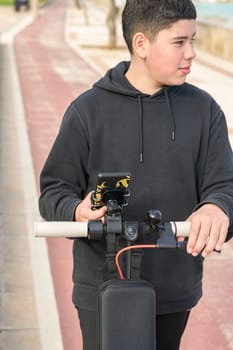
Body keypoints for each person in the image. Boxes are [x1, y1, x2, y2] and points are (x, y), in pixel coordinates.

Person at [39, 0, 233, 349]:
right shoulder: (86, 111)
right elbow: (53, 191)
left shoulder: (205, 111)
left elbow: (224, 186)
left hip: (175, 288)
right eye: (179, 42)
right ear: (141, 44)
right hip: (102, 287)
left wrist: (216, 207)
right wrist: (76, 210)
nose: (191, 53)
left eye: (193, 40)